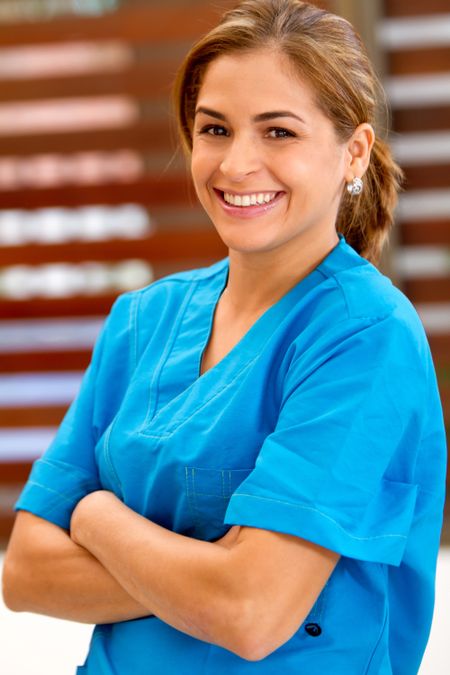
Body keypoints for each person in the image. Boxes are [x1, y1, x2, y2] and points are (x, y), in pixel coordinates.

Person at [2, 0, 447, 673]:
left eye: (278, 132)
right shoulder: (143, 320)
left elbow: (251, 613)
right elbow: (27, 571)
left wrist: (94, 516)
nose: (236, 164)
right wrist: (211, 570)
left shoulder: (365, 335)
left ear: (352, 151)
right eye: (215, 128)